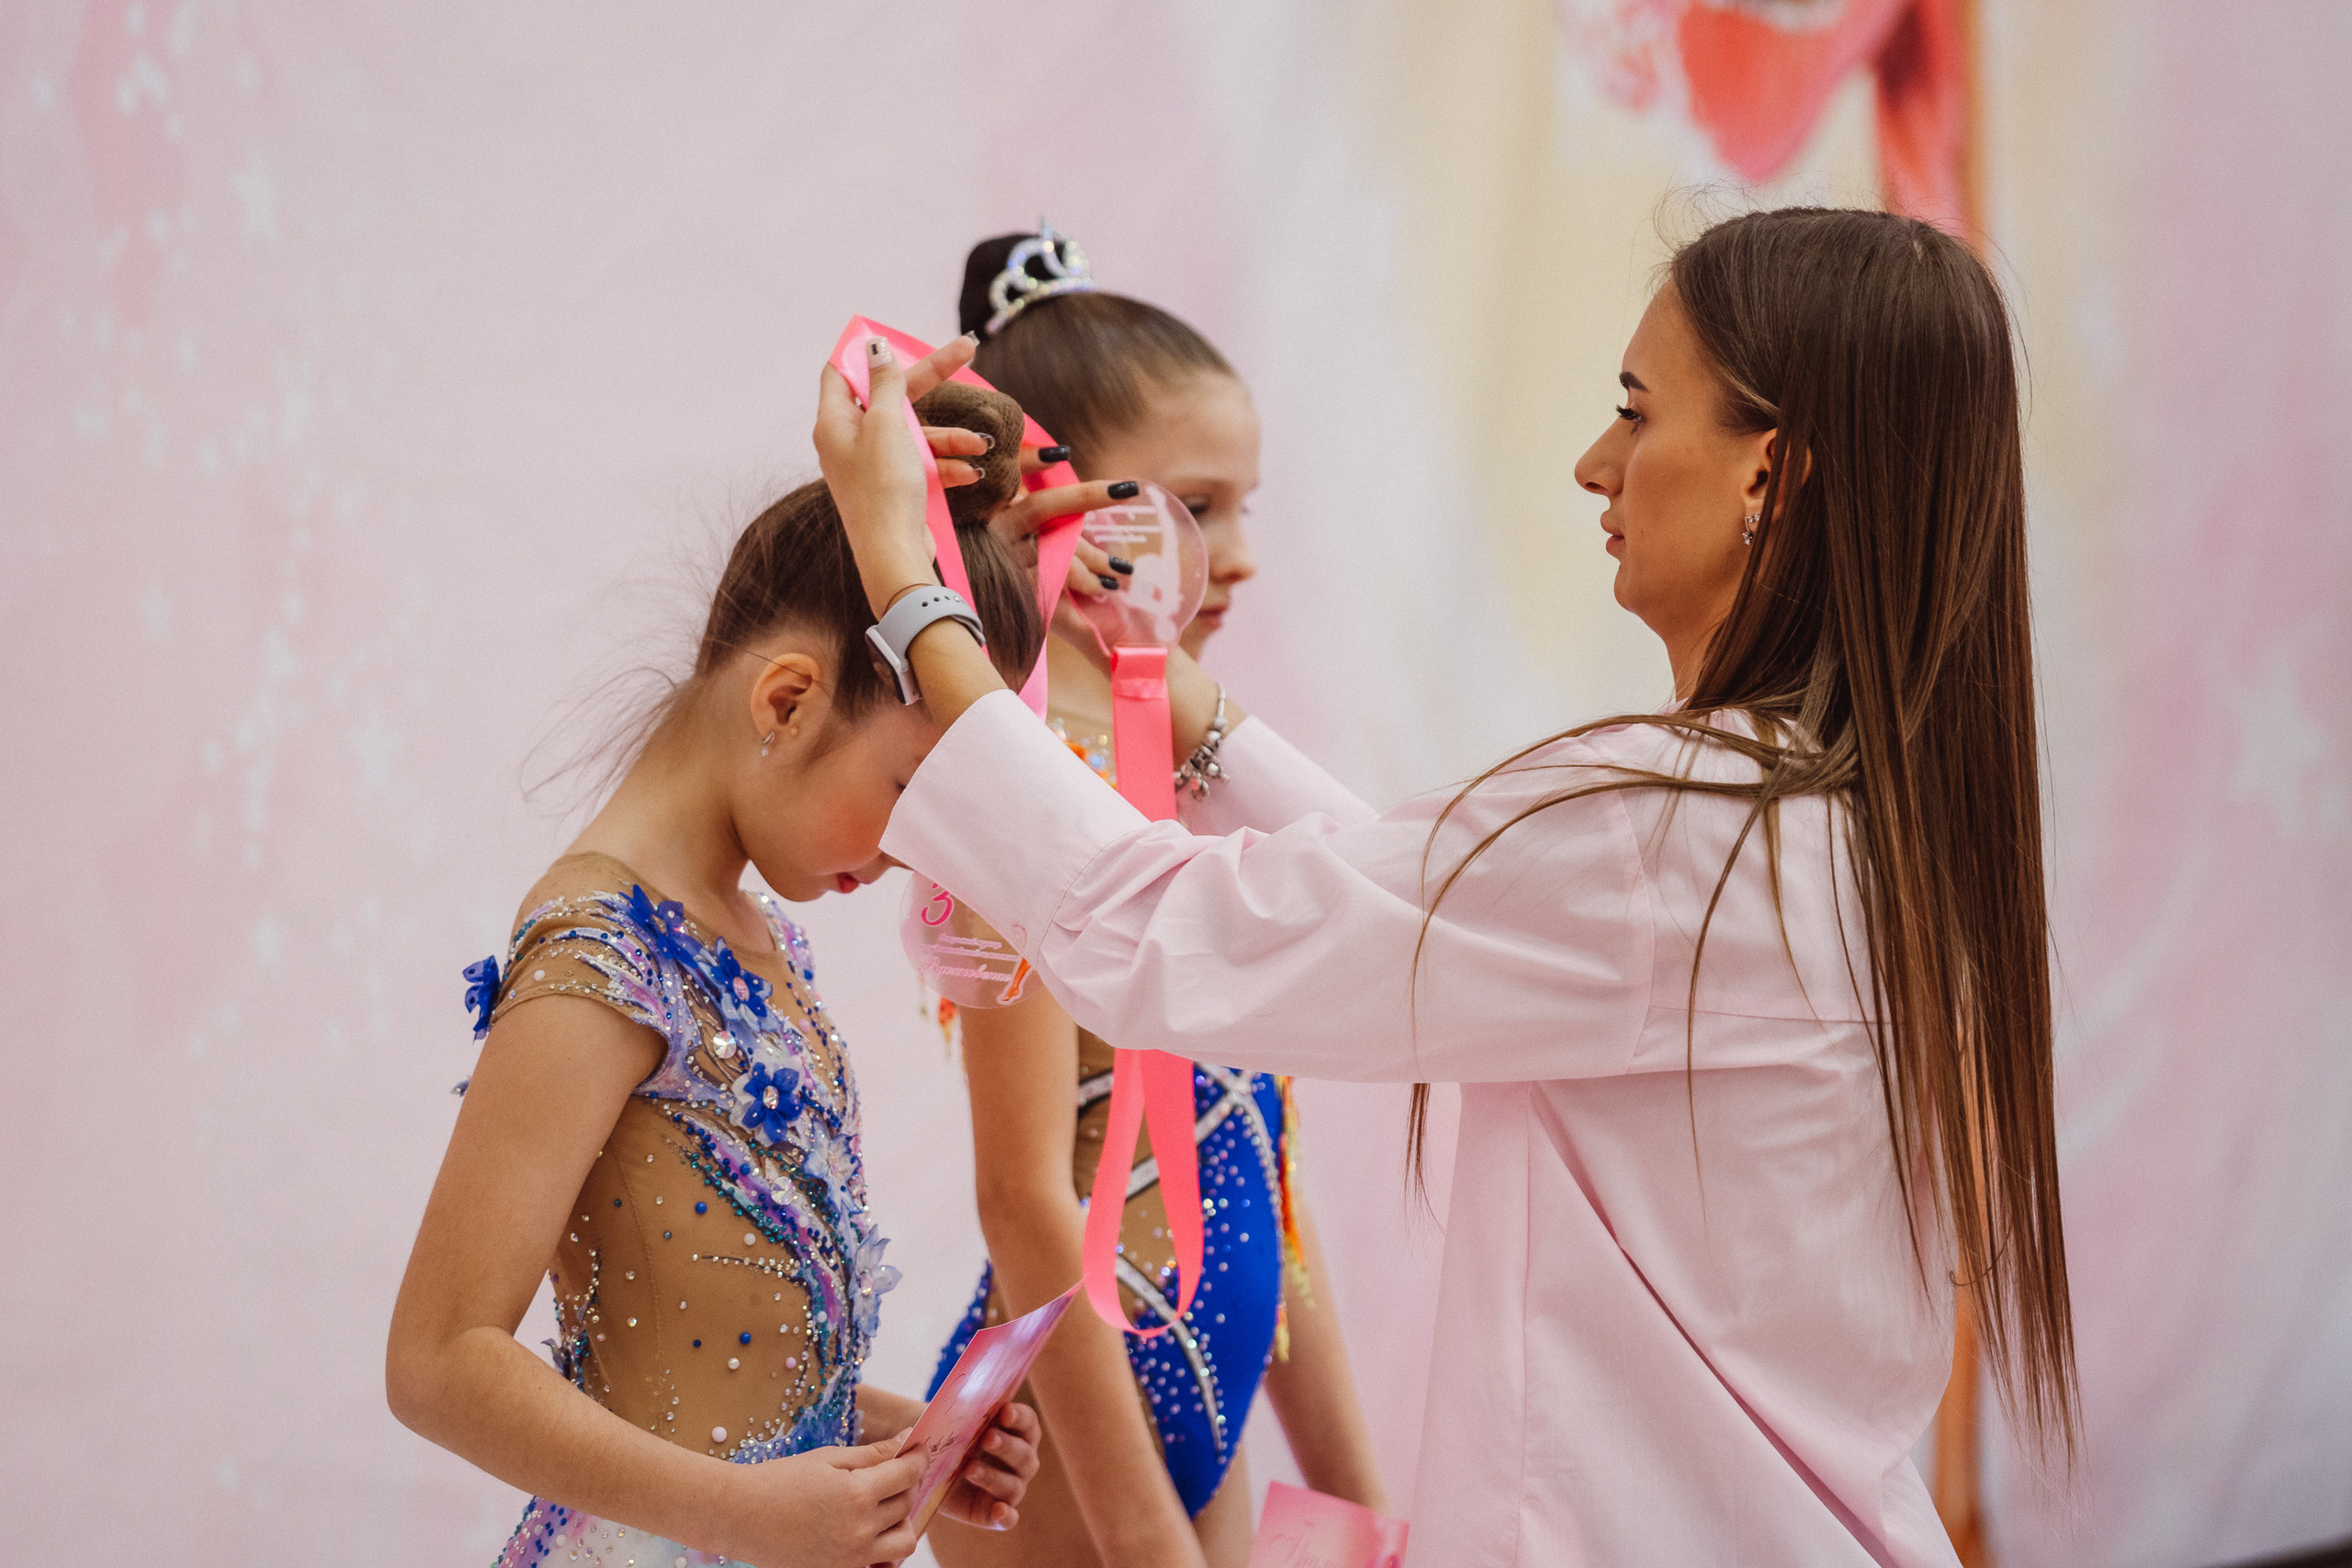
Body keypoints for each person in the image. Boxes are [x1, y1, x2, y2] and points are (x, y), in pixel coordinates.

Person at [814, 209, 2079, 1566]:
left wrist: (907, 586)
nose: (1598, 464)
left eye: (1638, 414)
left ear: (1772, 471)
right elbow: (1450, 917)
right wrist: (1160, 688)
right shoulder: (1836, 831)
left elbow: (1174, 934)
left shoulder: (1667, 836)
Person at [386, 383, 1121, 1568]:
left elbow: (706, 1362)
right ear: (786, 699)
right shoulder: (598, 955)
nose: (909, 857)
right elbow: (436, 1362)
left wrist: (900, 1445)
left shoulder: (749, 932)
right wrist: (744, 1515)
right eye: (908, 794)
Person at [922, 230, 1385, 1568]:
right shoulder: (1008, 804)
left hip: (1201, 1404)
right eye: (1197, 504)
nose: (1233, 557)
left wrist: (1364, 1516)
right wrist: (1146, 1542)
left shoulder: (1188, 795)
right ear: (1043, 511)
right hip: (1069, 1434)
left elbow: (1266, 1192)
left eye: (1246, 508)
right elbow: (1020, 1199)